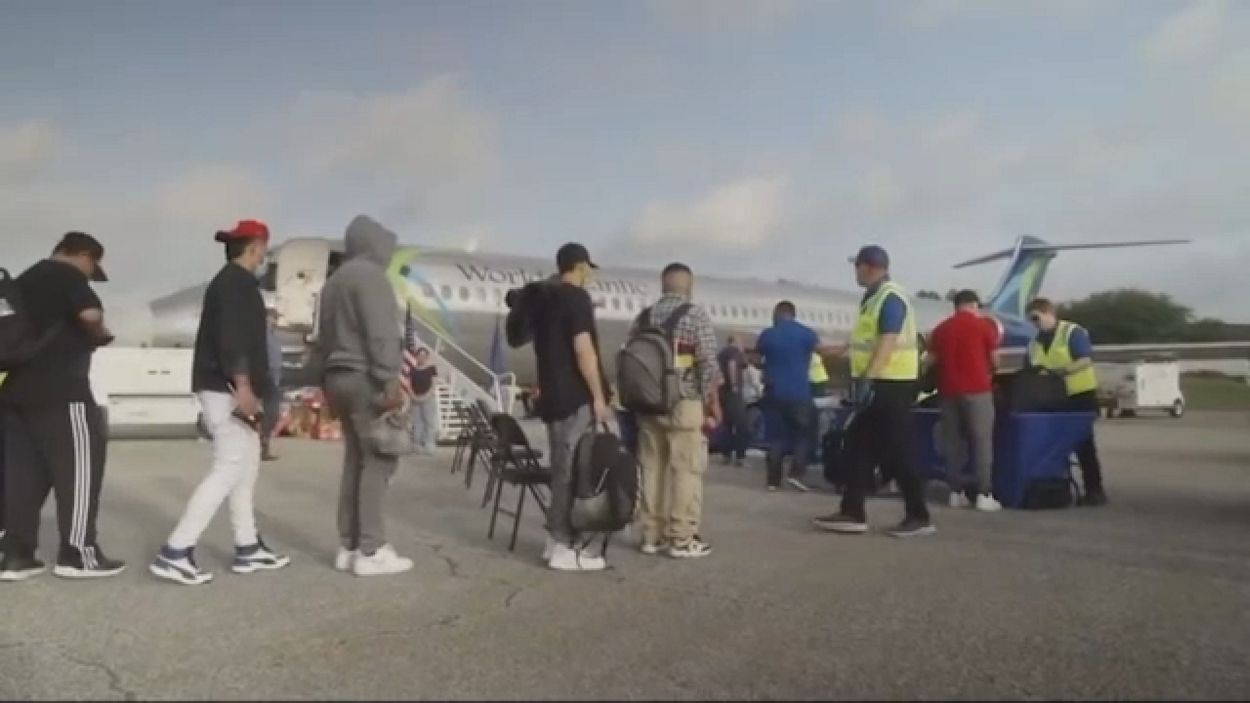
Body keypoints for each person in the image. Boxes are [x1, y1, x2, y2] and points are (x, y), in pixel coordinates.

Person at [150, 220, 291, 585]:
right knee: (228, 467)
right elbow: (233, 339)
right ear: (255, 247)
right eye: (263, 250)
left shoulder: (234, 283)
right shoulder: (234, 285)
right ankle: (176, 550)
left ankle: (248, 545)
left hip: (229, 386)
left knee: (246, 466)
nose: (264, 257)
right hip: (226, 388)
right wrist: (242, 385)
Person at [0, 232, 124, 581]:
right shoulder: (67, 275)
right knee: (80, 472)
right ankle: (79, 554)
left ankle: (16, 555)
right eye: (91, 268)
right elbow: (90, 313)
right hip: (62, 392)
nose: (89, 275)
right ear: (84, 255)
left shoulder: (21, 282)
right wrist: (99, 332)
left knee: (22, 477)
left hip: (15, 394)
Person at [813, 245, 935, 538]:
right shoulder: (872, 299)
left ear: (868, 267)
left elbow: (888, 340)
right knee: (858, 447)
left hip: (891, 384)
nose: (855, 272)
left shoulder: (890, 297)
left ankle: (918, 515)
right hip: (879, 382)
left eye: (857, 266)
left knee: (899, 450)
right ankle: (852, 511)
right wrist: (837, 352)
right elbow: (865, 342)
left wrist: (869, 377)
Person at [318, 215, 414, 577]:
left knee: (355, 460)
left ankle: (349, 545)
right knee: (379, 460)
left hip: (337, 376)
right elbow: (381, 332)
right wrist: (389, 378)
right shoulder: (371, 277)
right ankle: (371, 550)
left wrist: (324, 382)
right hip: (365, 377)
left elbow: (323, 337)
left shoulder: (333, 283)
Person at [530, 242, 612, 572]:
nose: (590, 274)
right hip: (573, 398)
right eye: (588, 268)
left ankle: (554, 540)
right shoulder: (576, 299)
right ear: (580, 267)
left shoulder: (545, 301)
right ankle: (565, 545)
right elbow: (583, 350)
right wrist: (598, 396)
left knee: (560, 469)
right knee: (574, 472)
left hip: (551, 398)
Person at [635, 263, 721, 559]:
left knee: (651, 469)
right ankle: (681, 537)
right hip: (684, 402)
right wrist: (708, 401)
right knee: (686, 470)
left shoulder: (644, 317)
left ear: (663, 285)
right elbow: (708, 363)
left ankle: (651, 535)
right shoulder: (695, 315)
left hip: (649, 404)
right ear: (689, 286)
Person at [1026, 298, 1107, 506]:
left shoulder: (1072, 332)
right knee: (1054, 446)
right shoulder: (1035, 343)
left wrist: (1061, 372)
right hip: (1052, 399)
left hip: (1079, 395)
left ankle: (1094, 490)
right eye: (1031, 320)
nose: (1034, 324)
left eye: (1036, 318)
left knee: (1084, 445)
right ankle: (1057, 487)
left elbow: (1085, 359)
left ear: (1049, 313)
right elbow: (1029, 369)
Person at [927, 290, 1001, 512]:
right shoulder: (983, 326)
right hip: (977, 390)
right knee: (981, 441)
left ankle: (955, 493)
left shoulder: (941, 329)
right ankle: (984, 494)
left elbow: (930, 361)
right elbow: (995, 361)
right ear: (974, 305)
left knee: (952, 442)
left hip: (948, 391)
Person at [757, 301, 820, 492]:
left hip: (774, 393)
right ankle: (796, 473)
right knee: (803, 434)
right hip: (799, 393)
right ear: (792, 314)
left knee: (776, 437)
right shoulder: (806, 334)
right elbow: (821, 350)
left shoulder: (767, 335)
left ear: (777, 314)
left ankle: (773, 481)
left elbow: (758, 357)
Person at [716, 335, 750, 466]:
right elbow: (732, 364)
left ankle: (726, 455)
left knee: (727, 424)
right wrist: (734, 384)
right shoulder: (733, 352)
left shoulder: (721, 353)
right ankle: (740, 456)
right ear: (735, 342)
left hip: (722, 392)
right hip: (733, 393)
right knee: (741, 424)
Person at [406, 347, 439, 454]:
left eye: (424, 356)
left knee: (429, 422)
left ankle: (428, 444)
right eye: (419, 355)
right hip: (415, 399)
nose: (421, 358)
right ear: (416, 357)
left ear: (427, 357)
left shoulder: (432, 369)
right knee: (417, 422)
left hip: (428, 399)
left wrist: (426, 396)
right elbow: (409, 384)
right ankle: (416, 444)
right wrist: (413, 396)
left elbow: (434, 384)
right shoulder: (413, 369)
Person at [261, 305, 282, 462]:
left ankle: (264, 445)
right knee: (270, 412)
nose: (275, 321)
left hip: (273, 377)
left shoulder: (274, 336)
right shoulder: (262, 335)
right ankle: (262, 446)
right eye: (273, 318)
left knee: (271, 414)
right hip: (266, 376)